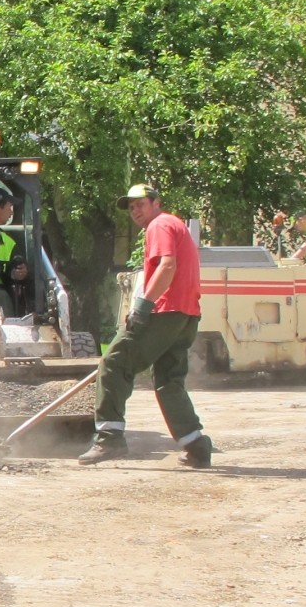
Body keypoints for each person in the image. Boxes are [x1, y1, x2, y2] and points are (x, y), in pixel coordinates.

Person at [78, 183, 212, 468]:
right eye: (130, 206)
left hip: (165, 311)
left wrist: (144, 305)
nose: (134, 210)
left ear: (155, 203)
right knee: (168, 381)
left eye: (140, 204)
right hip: (186, 314)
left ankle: (109, 438)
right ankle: (196, 444)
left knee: (114, 362)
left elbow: (167, 266)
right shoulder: (175, 225)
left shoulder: (160, 225)